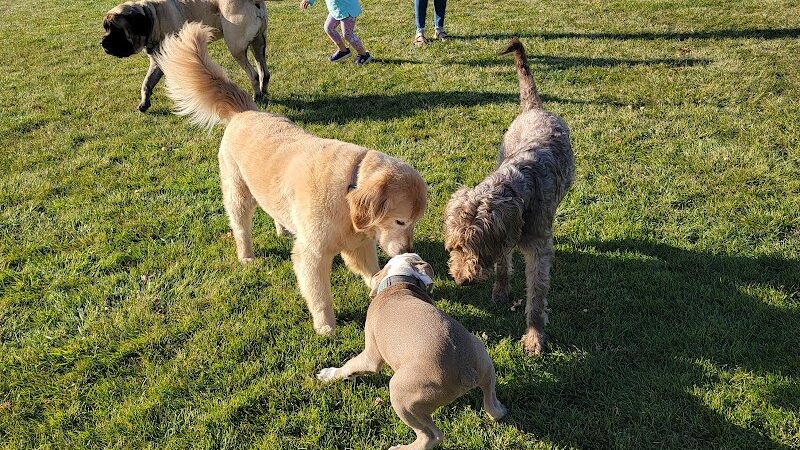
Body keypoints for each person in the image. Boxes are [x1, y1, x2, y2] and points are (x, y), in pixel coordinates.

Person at [300, 0, 373, 64]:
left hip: (348, 8)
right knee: (328, 28)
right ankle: (343, 51)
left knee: (347, 34)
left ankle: (364, 55)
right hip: (336, 9)